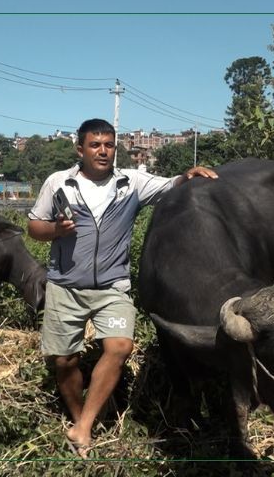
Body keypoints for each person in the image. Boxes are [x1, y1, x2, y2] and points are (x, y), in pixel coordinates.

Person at [27, 118, 217, 458]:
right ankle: (78, 417)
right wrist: (55, 230)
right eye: (95, 145)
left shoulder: (132, 182)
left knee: (119, 347)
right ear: (80, 149)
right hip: (65, 286)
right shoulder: (59, 183)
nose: (103, 151)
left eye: (109, 144)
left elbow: (173, 184)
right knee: (64, 361)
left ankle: (83, 427)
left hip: (113, 287)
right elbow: (33, 227)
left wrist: (190, 175)